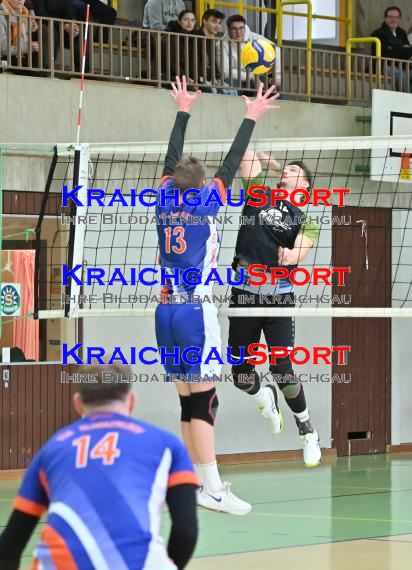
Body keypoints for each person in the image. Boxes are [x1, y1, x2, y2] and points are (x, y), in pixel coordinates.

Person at [155, 76, 280, 514]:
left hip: (165, 311)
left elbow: (173, 160)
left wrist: (183, 110)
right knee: (205, 399)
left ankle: (194, 482)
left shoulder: (163, 198)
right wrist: (250, 115)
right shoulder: (206, 203)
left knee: (188, 400)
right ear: (203, 186)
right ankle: (211, 488)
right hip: (194, 312)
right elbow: (230, 164)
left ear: (171, 182)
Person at [0, 362, 198, 570]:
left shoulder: (51, 450)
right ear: (131, 401)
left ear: (78, 403)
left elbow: (8, 549)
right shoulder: (167, 445)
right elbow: (186, 532)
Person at [228, 149, 322, 468]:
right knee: (240, 375)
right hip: (243, 293)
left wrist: (291, 257)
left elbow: (301, 252)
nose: (288, 172)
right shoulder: (258, 193)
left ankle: (307, 429)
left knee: (282, 369)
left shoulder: (306, 222)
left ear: (305, 186)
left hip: (278, 295)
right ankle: (263, 397)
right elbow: (245, 152)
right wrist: (270, 163)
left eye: (296, 170)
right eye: (287, 168)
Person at [216, 14, 281, 94]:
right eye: (234, 29)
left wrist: (277, 76)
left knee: (277, 90)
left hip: (256, 75)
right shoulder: (221, 44)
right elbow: (225, 71)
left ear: (245, 27)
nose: (238, 32)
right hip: (235, 78)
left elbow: (275, 48)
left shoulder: (253, 37)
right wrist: (250, 76)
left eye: (241, 28)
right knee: (230, 85)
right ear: (228, 29)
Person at [371, 6, 412, 92]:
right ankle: (408, 102)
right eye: (390, 17)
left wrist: (393, 48)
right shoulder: (377, 34)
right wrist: (401, 50)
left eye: (396, 17)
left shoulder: (402, 32)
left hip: (400, 65)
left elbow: (409, 52)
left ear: (399, 19)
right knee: (401, 75)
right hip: (383, 65)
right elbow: (385, 53)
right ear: (385, 18)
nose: (393, 20)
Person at [191, 8, 225, 92]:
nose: (217, 25)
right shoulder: (194, 36)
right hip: (197, 79)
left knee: (232, 91)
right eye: (214, 21)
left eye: (219, 23)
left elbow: (212, 62)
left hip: (208, 79)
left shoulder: (211, 40)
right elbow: (192, 61)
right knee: (214, 91)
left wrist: (215, 78)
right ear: (205, 21)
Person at [162, 9, 197, 84]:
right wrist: (184, 77)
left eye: (193, 20)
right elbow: (171, 61)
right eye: (186, 19)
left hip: (180, 76)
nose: (190, 23)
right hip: (165, 75)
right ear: (179, 21)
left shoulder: (190, 38)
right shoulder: (171, 36)